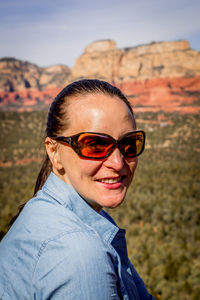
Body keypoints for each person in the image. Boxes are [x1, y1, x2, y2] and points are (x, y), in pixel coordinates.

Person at [0, 79, 154, 299]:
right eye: (95, 145)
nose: (118, 163)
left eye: (129, 143)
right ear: (54, 152)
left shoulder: (50, 213)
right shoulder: (78, 254)